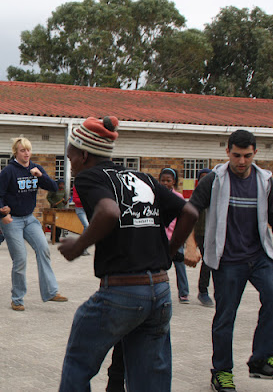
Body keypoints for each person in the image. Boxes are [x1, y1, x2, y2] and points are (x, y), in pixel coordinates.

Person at [58, 116, 197, 391]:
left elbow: (109, 212)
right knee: (149, 382)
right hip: (160, 292)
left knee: (78, 363)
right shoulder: (142, 177)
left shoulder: (89, 177)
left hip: (121, 293)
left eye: (71, 156)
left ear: (84, 154)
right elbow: (190, 212)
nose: (70, 163)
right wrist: (167, 254)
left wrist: (78, 246)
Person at [186, 129, 273, 391]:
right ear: (227, 152)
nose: (242, 161)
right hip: (227, 260)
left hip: (260, 256)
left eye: (247, 156)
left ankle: (261, 360)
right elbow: (190, 211)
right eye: (237, 155)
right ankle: (221, 371)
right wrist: (190, 245)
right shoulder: (214, 180)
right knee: (225, 316)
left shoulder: (265, 181)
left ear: (255, 153)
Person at [0, 137, 68, 311]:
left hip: (29, 218)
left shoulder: (35, 168)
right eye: (22, 150)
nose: (26, 153)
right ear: (16, 153)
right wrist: (3, 214)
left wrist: (41, 176)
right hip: (12, 220)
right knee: (20, 258)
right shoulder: (9, 171)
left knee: (44, 249)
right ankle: (17, 299)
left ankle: (51, 292)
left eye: (28, 150)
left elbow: (53, 187)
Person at [158, 168, 191, 304]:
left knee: (180, 265)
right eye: (163, 180)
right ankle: (159, 291)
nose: (165, 183)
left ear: (174, 182)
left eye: (168, 180)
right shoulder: (156, 196)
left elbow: (184, 218)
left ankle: (184, 293)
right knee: (159, 267)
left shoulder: (178, 197)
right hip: (160, 238)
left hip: (175, 237)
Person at [193, 168, 215, 307]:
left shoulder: (217, 195)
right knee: (207, 261)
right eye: (202, 177)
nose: (205, 179)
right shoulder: (198, 196)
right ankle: (203, 291)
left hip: (214, 233)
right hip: (200, 233)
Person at [71, 185, 90, 256]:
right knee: (87, 226)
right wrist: (85, 200)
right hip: (80, 209)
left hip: (88, 209)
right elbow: (75, 199)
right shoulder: (77, 186)